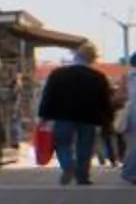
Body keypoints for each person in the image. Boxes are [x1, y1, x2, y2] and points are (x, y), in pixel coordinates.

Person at [39, 44, 113, 186]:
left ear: (75, 56)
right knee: (85, 146)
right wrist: (107, 120)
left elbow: (48, 95)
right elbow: (105, 100)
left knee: (62, 143)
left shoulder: (58, 74)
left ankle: (68, 166)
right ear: (92, 59)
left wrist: (44, 116)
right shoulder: (98, 77)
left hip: (63, 115)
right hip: (89, 117)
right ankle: (82, 176)